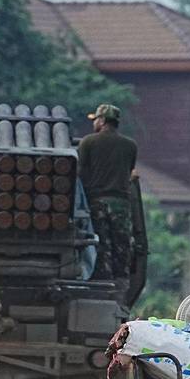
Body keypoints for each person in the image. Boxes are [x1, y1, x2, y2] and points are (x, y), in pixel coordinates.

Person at [78, 103, 137, 283]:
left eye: (96, 119)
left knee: (101, 241)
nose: (94, 122)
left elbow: (80, 172)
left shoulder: (88, 142)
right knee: (122, 241)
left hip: (97, 200)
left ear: (102, 121)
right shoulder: (130, 145)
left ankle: (102, 276)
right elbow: (129, 172)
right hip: (121, 202)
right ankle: (121, 276)